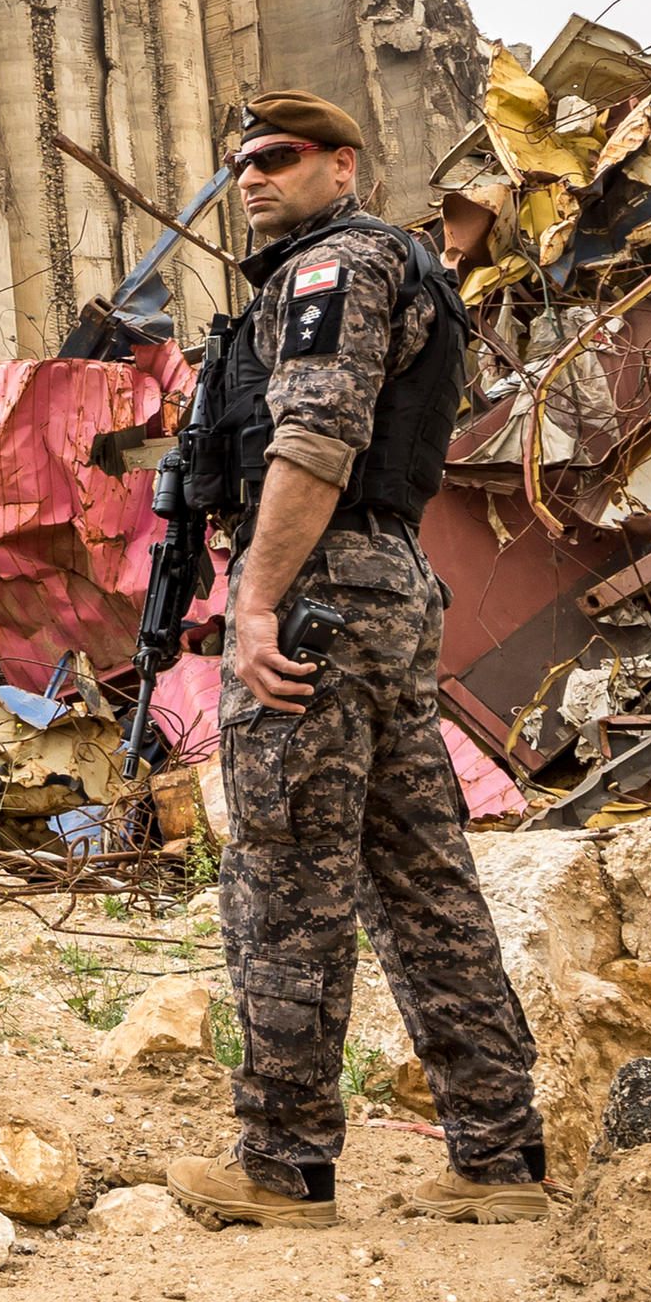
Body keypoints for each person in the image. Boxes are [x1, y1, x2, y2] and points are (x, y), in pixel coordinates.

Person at [160, 90, 552, 1229]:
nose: (252, 177)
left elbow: (316, 437)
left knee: (285, 878)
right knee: (419, 870)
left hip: (323, 585)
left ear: (345, 167)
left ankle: (282, 1169)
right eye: (241, 163)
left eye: (278, 158)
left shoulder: (332, 272)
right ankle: (497, 1154)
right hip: (389, 587)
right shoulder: (402, 269)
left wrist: (256, 601)